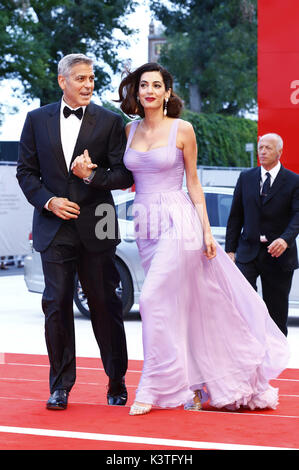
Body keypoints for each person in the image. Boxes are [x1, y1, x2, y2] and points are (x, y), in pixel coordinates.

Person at [114, 62, 289, 416]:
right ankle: (195, 386)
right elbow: (123, 177)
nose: (149, 90)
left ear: (167, 92)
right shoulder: (129, 131)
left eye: (156, 85)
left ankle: (153, 387)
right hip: (146, 223)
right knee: (182, 306)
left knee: (149, 300)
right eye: (143, 85)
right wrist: (90, 174)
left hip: (180, 220)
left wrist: (207, 230)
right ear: (136, 92)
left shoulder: (183, 129)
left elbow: (193, 183)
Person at [17, 53, 134, 410]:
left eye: (91, 78)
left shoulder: (111, 122)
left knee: (105, 305)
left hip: (97, 226)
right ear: (62, 81)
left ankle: (116, 380)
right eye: (80, 78)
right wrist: (49, 202)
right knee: (56, 307)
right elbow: (26, 173)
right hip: (53, 228)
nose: (88, 85)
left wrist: (91, 176)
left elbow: (125, 175)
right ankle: (60, 386)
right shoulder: (36, 120)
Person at [225, 134, 299, 337]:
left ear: (279, 152)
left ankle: (275, 359)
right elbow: (235, 216)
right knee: (242, 304)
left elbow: (297, 215)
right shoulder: (246, 177)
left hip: (278, 255)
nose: (262, 151)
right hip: (247, 252)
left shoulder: (293, 181)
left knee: (276, 312)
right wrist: (230, 250)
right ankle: (246, 352)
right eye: (260, 147)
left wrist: (285, 239)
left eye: (268, 147)